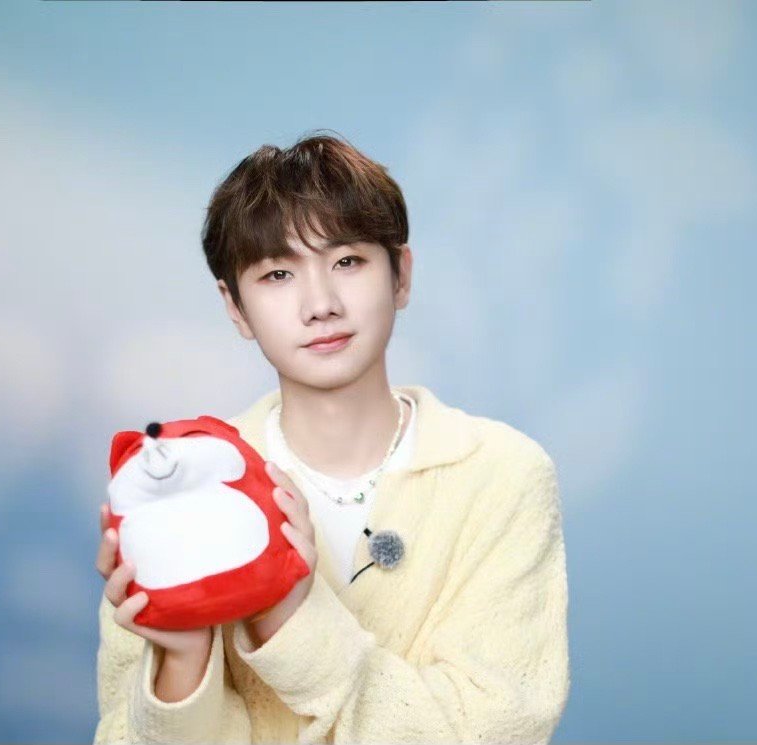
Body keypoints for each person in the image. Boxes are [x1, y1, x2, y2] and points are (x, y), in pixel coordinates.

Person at [92, 130, 569, 744]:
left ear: (401, 275)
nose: (320, 304)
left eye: (347, 262)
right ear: (234, 307)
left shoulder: (500, 473)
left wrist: (291, 617)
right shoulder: (181, 483)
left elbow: (496, 729)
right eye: (277, 274)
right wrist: (181, 661)